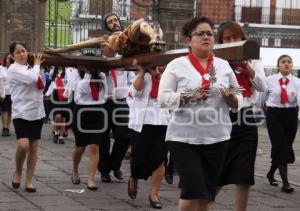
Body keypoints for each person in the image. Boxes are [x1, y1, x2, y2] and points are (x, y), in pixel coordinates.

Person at [158, 16, 243, 211]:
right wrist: (189, 95)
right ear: (188, 40)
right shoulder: (177, 65)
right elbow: (162, 99)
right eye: (200, 33)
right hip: (184, 139)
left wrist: (232, 99)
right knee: (193, 191)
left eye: (209, 34)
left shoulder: (223, 66)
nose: (206, 37)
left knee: (206, 195)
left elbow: (239, 96)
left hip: (217, 138)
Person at [215, 21, 267, 211]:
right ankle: (201, 204)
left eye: (236, 37)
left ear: (242, 38)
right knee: (219, 170)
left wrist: (247, 67)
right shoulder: (218, 61)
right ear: (220, 41)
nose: (232, 41)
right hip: (223, 117)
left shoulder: (253, 58)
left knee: (244, 174)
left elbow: (262, 86)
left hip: (247, 118)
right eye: (227, 38)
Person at [127, 61, 169, 209]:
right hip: (141, 123)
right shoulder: (141, 77)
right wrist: (143, 72)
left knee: (160, 158)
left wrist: (160, 74)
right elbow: (136, 91)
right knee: (138, 157)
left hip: (162, 122)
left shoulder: (166, 77)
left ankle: (154, 194)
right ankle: (134, 177)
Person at [8, 42, 45, 192]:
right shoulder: (13, 69)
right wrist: (37, 64)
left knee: (34, 147)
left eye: (23, 51)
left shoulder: (30, 67)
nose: (22, 54)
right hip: (21, 112)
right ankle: (18, 171)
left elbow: (40, 82)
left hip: (36, 111)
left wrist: (35, 65)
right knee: (23, 145)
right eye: (18, 52)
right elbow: (31, 79)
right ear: (12, 56)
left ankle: (29, 180)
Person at [44, 13, 165, 56]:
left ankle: (154, 38)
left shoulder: (126, 28)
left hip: (141, 44)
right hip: (125, 45)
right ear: (107, 26)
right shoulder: (105, 39)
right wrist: (56, 51)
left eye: (115, 20)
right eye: (110, 22)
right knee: (137, 25)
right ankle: (153, 38)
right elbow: (76, 46)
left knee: (146, 25)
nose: (114, 23)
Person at [262, 55, 299, 193]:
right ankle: (286, 183)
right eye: (283, 62)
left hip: (291, 115)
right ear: (278, 65)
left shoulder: (297, 82)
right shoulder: (269, 80)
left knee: (285, 146)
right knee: (281, 146)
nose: (287, 64)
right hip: (274, 115)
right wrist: (267, 112)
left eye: (289, 62)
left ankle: (270, 173)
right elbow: (262, 99)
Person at [97, 43, 134, 183]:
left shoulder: (123, 60)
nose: (111, 48)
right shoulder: (98, 63)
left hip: (121, 102)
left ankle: (115, 164)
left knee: (124, 135)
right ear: (102, 48)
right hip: (104, 103)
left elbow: (131, 80)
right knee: (103, 139)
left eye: (114, 44)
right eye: (108, 45)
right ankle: (104, 170)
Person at [71, 66, 107, 191]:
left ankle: (91, 179)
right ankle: (75, 169)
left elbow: (107, 93)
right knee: (80, 147)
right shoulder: (76, 74)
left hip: (98, 111)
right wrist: (87, 74)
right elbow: (82, 89)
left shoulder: (101, 76)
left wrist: (99, 73)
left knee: (94, 147)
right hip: (82, 111)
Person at [45, 66, 69, 144]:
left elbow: (69, 83)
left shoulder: (67, 72)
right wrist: (47, 94)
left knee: (63, 118)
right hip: (56, 94)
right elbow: (52, 84)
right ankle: (55, 132)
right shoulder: (53, 72)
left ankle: (61, 137)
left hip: (64, 94)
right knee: (57, 116)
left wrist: (68, 94)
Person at [0, 54, 14, 136]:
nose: (9, 60)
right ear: (5, 59)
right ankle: (4, 128)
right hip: (4, 92)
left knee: (10, 111)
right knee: (4, 110)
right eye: (8, 58)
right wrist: (1, 93)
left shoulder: (14, 69)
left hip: (13, 93)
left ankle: (8, 128)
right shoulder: (1, 68)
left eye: (10, 58)